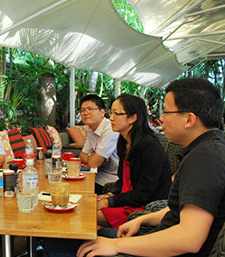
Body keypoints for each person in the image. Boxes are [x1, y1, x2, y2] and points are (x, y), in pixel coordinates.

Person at [77, 78, 225, 257]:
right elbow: (180, 211)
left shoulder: (205, 158)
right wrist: (145, 219)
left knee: (82, 240)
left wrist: (117, 245)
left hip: (171, 247)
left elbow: (189, 238)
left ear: (189, 119)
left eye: (166, 112)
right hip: (160, 228)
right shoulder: (207, 148)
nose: (160, 118)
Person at [97, 94, 171, 230]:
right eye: (111, 113)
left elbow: (145, 193)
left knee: (89, 216)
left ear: (133, 118)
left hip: (146, 208)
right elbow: (123, 179)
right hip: (128, 199)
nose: (111, 118)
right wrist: (110, 195)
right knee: (88, 209)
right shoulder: (124, 141)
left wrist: (112, 202)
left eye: (116, 114)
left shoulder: (149, 147)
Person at [79, 94, 119, 194]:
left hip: (113, 180)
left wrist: (93, 160)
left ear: (102, 112)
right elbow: (82, 156)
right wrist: (94, 158)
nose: (86, 112)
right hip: (97, 175)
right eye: (83, 110)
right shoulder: (92, 130)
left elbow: (93, 163)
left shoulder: (110, 129)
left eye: (90, 109)